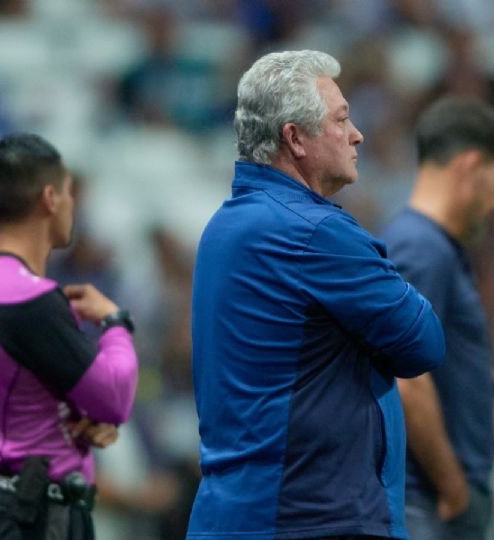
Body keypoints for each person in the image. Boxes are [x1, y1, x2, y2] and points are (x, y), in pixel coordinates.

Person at [188, 50, 446, 539]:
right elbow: (423, 342)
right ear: (295, 138)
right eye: (342, 119)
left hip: (235, 515)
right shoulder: (315, 232)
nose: (358, 134)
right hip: (311, 518)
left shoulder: (224, 226)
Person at [379, 97, 494, 540]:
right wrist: (453, 486)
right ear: (469, 165)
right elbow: (405, 380)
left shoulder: (432, 248)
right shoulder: (420, 249)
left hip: (431, 502)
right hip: (427, 501)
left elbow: (438, 348)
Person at [0, 133, 139, 539]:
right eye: (71, 193)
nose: (74, 205)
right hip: (36, 518)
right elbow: (115, 396)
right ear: (50, 198)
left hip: (14, 507)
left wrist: (84, 418)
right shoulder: (26, 297)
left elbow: (27, 392)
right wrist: (115, 322)